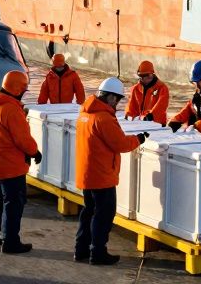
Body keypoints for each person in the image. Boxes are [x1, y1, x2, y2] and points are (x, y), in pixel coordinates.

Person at [74, 78, 144, 266]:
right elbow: (120, 144)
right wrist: (139, 139)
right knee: (103, 214)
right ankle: (98, 252)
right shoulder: (103, 118)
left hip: (86, 173)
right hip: (102, 175)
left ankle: (81, 249)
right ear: (111, 97)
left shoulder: (85, 113)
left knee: (88, 211)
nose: (118, 103)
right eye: (118, 99)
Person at [0, 70, 39, 255]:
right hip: (11, 166)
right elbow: (23, 139)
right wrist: (35, 152)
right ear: (18, 89)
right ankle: (11, 242)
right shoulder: (11, 110)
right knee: (13, 204)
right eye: (24, 89)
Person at [125, 60, 169, 125]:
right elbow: (131, 105)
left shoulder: (162, 88)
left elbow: (161, 106)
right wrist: (128, 115)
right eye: (139, 76)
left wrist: (151, 115)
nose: (141, 78)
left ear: (150, 75)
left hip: (158, 125)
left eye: (143, 76)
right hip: (141, 123)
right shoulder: (135, 89)